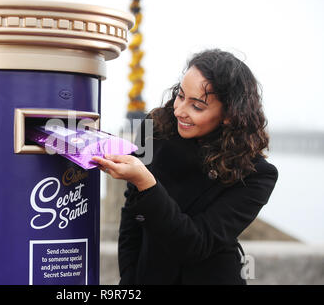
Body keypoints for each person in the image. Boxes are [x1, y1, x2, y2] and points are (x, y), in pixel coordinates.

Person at [92, 49, 278, 285]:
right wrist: (128, 277)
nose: (180, 111)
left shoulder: (256, 174)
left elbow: (195, 244)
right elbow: (132, 215)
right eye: (180, 96)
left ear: (229, 114)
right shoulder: (154, 129)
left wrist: (146, 184)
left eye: (197, 106)